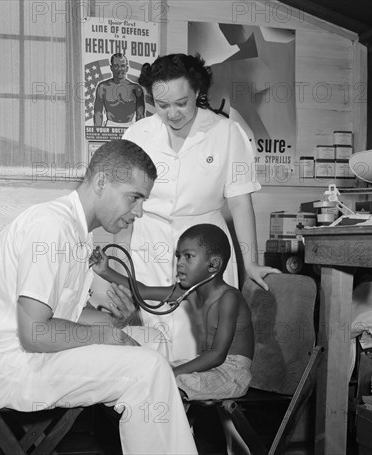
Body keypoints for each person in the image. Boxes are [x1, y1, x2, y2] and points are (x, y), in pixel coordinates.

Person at [0, 139, 198, 455]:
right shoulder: (52, 228)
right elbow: (35, 333)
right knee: (148, 369)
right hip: (12, 368)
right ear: (101, 181)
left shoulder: (80, 232)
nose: (139, 212)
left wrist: (115, 322)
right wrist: (103, 334)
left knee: (153, 339)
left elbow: (69, 315)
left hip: (32, 355)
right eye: (134, 197)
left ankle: (168, 439)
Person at [119, 53, 279, 361]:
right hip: (149, 243)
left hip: (205, 247)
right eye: (162, 105)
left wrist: (252, 264)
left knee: (202, 341)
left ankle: (201, 405)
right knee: (155, 342)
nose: (173, 113)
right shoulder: (138, 135)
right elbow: (127, 205)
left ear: (198, 93)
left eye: (182, 103)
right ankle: (156, 404)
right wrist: (120, 265)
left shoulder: (227, 133)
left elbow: (240, 202)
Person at [91, 223, 254, 453]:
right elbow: (143, 291)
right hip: (210, 367)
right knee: (141, 377)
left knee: (164, 382)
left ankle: (172, 446)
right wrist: (105, 271)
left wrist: (171, 372)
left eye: (188, 256)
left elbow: (217, 356)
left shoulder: (229, 298)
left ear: (213, 264)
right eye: (178, 256)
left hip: (232, 373)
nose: (179, 263)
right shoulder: (192, 292)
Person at [93, 53, 145, 127]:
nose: (119, 69)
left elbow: (140, 115)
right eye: (116, 66)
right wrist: (97, 133)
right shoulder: (103, 87)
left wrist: (140, 134)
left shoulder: (136, 89)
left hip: (129, 127)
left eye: (122, 66)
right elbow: (98, 113)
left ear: (127, 68)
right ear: (111, 68)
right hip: (110, 126)